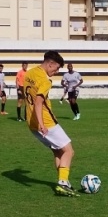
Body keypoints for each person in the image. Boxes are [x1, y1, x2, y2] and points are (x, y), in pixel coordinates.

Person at [24, 51, 78, 197]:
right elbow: (38, 101)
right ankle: (62, 183)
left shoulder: (30, 73)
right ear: (50, 63)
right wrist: (42, 124)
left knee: (57, 151)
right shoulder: (45, 80)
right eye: (56, 68)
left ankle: (63, 182)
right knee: (68, 151)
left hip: (31, 123)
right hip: (46, 123)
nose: (56, 72)